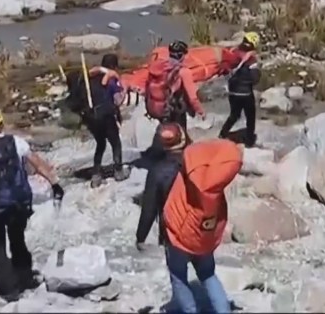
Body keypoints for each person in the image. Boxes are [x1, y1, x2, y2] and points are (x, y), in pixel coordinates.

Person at [135, 123, 242, 314]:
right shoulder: (200, 165)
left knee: (178, 276)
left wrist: (140, 236)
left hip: (174, 233)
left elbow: (149, 208)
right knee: (208, 274)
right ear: (183, 137)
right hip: (202, 229)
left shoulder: (157, 171)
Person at [0, 104, 64, 301]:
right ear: (1, 122)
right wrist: (55, 184)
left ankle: (7, 289)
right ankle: (25, 276)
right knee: (17, 238)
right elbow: (37, 164)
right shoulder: (17, 142)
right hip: (18, 203)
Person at [143, 40, 206, 158]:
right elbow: (192, 97)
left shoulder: (159, 68)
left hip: (159, 107)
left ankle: (162, 152)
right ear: (182, 55)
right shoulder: (183, 72)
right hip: (175, 108)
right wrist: (200, 111)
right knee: (179, 133)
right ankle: (180, 159)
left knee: (167, 130)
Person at [83, 53, 129, 187]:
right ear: (114, 66)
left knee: (100, 144)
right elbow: (118, 101)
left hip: (91, 118)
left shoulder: (92, 78)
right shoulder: (111, 80)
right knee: (115, 143)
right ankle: (119, 171)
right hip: (106, 117)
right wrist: (125, 89)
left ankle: (96, 174)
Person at [218, 32, 261, 146]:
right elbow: (255, 78)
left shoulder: (233, 53)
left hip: (232, 91)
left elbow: (224, 69)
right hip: (246, 93)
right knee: (250, 117)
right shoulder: (251, 59)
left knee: (234, 115)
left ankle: (222, 134)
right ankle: (249, 142)